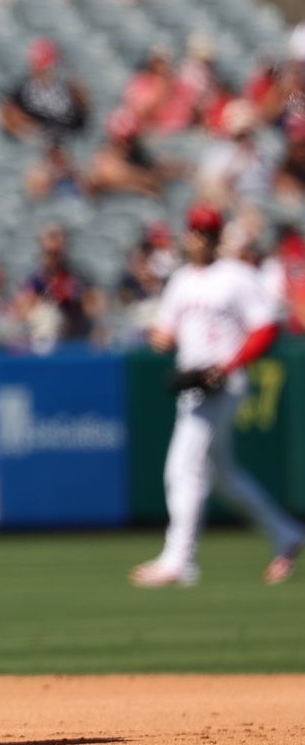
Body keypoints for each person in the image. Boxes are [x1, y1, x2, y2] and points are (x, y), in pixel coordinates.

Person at [132, 205, 304, 587]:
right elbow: (166, 333)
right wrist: (158, 338)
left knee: (183, 466)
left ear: (216, 236)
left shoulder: (237, 277)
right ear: (187, 234)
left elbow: (265, 327)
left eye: (207, 231)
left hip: (223, 384)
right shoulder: (181, 281)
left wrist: (228, 366)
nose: (200, 237)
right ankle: (286, 533)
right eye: (195, 230)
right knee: (224, 476)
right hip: (192, 385)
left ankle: (179, 560)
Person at [1, 38, 89, 143]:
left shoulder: (69, 88)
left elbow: (82, 119)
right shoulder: (24, 88)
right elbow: (8, 119)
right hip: (34, 139)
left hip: (66, 138)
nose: (41, 70)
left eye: (44, 66)